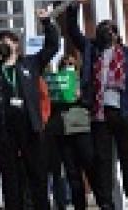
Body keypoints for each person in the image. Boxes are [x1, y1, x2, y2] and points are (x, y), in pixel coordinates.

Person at [66, 0, 128, 210]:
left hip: (124, 111)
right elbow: (73, 32)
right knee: (102, 163)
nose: (106, 33)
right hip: (100, 113)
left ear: (116, 34)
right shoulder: (92, 49)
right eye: (102, 29)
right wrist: (75, 6)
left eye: (109, 29)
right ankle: (107, 204)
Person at [0, 9, 59, 210]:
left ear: (16, 44)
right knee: (10, 178)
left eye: (7, 40)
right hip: (5, 131)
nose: (3, 44)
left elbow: (52, 47)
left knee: (38, 175)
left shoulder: (30, 64)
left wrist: (47, 23)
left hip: (30, 126)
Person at [45, 55, 100, 210]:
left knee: (90, 168)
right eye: (64, 64)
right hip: (62, 130)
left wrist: (80, 97)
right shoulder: (55, 82)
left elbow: (92, 102)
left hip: (81, 128)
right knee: (72, 173)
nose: (68, 66)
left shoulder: (82, 82)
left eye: (71, 64)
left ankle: (103, 202)